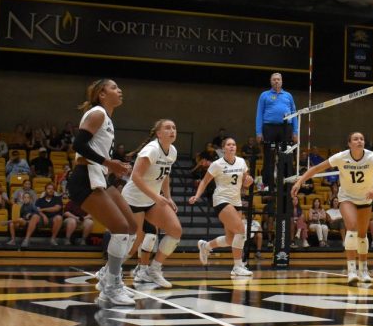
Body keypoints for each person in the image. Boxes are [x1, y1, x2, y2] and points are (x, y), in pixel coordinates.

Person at [66, 78, 136, 306]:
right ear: (102, 94)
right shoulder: (97, 113)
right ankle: (111, 286)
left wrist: (114, 166)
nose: (120, 89)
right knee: (120, 228)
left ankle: (108, 274)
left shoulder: (107, 117)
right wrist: (109, 162)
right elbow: (78, 145)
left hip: (99, 177)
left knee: (132, 226)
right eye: (114, 87)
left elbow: (96, 151)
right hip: (85, 178)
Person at [292, 131, 373, 285]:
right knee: (352, 228)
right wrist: (299, 181)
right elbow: (317, 168)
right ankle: (351, 270)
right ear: (349, 144)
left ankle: (363, 269)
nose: (359, 141)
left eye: (362, 139)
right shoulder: (341, 156)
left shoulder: (371, 157)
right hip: (347, 198)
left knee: (363, 235)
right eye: (355, 139)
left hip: (365, 198)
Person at [122, 119, 182, 290]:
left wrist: (168, 197)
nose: (172, 130)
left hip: (151, 199)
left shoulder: (173, 151)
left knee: (175, 230)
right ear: (158, 133)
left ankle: (153, 270)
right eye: (168, 128)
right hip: (133, 198)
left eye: (174, 127)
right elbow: (135, 177)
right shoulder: (151, 150)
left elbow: (165, 175)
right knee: (135, 241)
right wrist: (157, 196)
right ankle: (109, 270)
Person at [189, 137, 252, 278]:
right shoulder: (217, 164)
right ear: (223, 148)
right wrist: (197, 195)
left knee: (231, 239)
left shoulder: (241, 162)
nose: (232, 147)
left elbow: (245, 183)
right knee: (241, 230)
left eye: (234, 144)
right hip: (221, 200)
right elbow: (204, 182)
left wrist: (249, 181)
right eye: (229, 145)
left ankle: (206, 246)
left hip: (237, 201)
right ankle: (237, 266)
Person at [255, 72, 298, 190]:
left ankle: (287, 181)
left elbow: (294, 114)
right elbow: (259, 114)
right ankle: (268, 183)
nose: (276, 81)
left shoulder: (288, 95)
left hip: (286, 128)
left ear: (282, 81)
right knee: (269, 155)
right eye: (274, 79)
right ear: (270, 81)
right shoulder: (264, 95)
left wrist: (295, 132)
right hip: (269, 127)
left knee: (287, 154)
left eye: (278, 79)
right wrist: (258, 132)